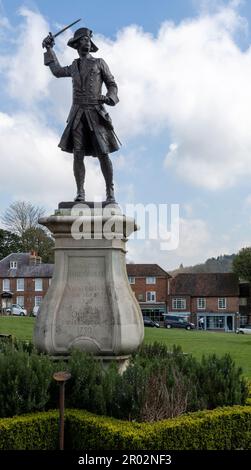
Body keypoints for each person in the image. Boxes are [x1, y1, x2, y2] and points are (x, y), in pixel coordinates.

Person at [42, 27, 120, 203]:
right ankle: (80, 192)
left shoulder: (100, 63)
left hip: (95, 112)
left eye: (88, 39)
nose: (87, 41)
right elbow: (57, 71)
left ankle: (110, 192)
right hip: (77, 114)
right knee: (78, 153)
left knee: (103, 153)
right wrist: (49, 49)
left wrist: (109, 98)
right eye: (83, 39)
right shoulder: (74, 66)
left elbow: (112, 84)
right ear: (77, 44)